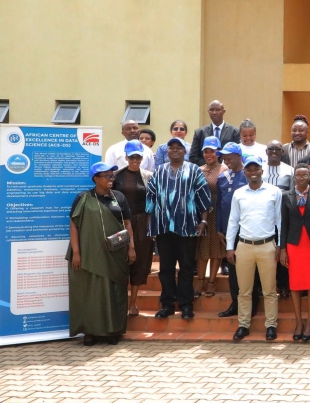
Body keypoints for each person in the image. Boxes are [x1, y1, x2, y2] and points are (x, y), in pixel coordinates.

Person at [68, 162, 136, 346]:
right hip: (90, 254)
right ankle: (90, 332)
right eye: (107, 176)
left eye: (112, 175)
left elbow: (128, 224)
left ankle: (113, 331)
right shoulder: (83, 198)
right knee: (91, 293)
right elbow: (74, 225)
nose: (111, 179)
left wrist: (131, 247)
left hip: (116, 253)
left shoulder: (119, 197)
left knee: (115, 291)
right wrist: (76, 252)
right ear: (96, 179)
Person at [146, 137, 212, 320]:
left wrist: (203, 222)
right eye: (171, 147)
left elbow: (203, 197)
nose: (175, 150)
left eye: (178, 147)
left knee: (187, 267)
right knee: (165, 268)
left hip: (188, 226)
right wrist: (151, 226)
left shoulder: (194, 170)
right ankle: (167, 304)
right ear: (167, 151)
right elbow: (150, 199)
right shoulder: (159, 171)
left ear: (185, 151)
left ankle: (185, 304)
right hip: (163, 227)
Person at [227, 155, 282, 341]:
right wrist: (230, 246)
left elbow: (280, 220)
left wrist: (280, 244)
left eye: (256, 169)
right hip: (244, 245)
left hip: (267, 245)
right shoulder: (239, 193)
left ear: (262, 171)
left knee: (269, 290)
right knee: (244, 291)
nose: (253, 172)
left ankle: (271, 325)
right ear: (245, 172)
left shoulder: (274, 192)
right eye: (249, 169)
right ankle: (243, 325)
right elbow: (233, 221)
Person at [280, 163, 310, 342]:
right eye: (298, 175)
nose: (301, 178)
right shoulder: (286, 196)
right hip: (294, 245)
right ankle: (299, 322)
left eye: (305, 175)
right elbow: (284, 224)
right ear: (294, 177)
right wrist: (283, 249)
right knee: (295, 284)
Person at [215, 143, 259, 318]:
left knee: (251, 269)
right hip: (229, 230)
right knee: (233, 268)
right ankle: (235, 302)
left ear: (239, 156)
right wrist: (219, 228)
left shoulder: (248, 175)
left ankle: (253, 304)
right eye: (224, 157)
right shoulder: (222, 177)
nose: (226, 160)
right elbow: (219, 204)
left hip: (248, 230)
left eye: (229, 157)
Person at [112, 140, 154, 317]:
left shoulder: (149, 176)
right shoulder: (116, 176)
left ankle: (133, 303)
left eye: (138, 157)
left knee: (140, 260)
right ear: (126, 157)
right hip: (120, 224)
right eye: (132, 157)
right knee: (119, 260)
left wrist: (153, 226)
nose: (135, 160)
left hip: (142, 223)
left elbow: (155, 202)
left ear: (142, 158)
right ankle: (119, 303)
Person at [195, 137, 226, 300]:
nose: (209, 154)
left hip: (217, 213)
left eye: (212, 151)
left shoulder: (224, 170)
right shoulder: (198, 169)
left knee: (215, 249)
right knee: (202, 249)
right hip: (202, 213)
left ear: (218, 153)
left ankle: (211, 281)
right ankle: (200, 280)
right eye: (206, 151)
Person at [189, 100, 240, 167]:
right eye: (211, 110)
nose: (214, 113)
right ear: (208, 111)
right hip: (205, 171)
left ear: (223, 111)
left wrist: (222, 167)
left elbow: (237, 154)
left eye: (218, 110)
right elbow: (193, 157)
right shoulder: (200, 132)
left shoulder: (234, 131)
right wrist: (211, 166)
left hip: (228, 169)